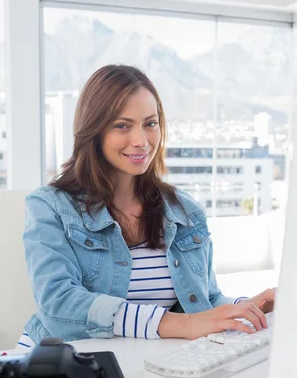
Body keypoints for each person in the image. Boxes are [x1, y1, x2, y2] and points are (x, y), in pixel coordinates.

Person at [17, 65, 275, 349]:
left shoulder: (184, 210)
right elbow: (59, 304)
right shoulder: (49, 206)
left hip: (146, 365)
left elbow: (206, 301)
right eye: (122, 126)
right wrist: (178, 325)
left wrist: (248, 308)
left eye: (150, 123)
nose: (141, 141)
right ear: (94, 130)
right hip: (64, 367)